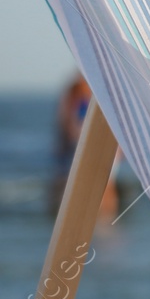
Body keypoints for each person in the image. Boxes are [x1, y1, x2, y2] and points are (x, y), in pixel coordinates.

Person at [53, 71, 119, 217]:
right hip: (88, 144)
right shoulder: (82, 88)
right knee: (103, 191)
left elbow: (65, 122)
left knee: (78, 193)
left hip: (87, 144)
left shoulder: (80, 88)